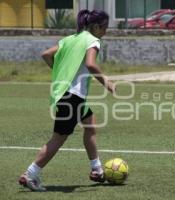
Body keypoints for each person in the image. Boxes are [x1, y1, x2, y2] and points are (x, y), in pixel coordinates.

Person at [18, 9, 115, 192]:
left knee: (90, 125)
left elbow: (46, 54)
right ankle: (30, 174)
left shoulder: (70, 39)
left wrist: (60, 73)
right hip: (73, 96)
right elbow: (91, 64)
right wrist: (107, 83)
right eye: (104, 28)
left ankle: (97, 169)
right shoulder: (93, 41)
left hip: (67, 94)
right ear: (95, 26)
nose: (105, 32)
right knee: (58, 138)